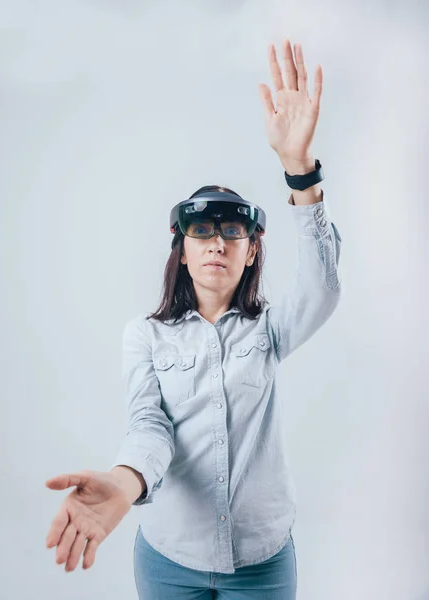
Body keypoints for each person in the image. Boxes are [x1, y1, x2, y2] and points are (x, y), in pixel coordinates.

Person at [45, 38, 342, 599]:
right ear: (180, 250)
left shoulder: (270, 331)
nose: (216, 243)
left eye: (233, 230)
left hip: (263, 560)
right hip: (168, 558)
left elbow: (322, 290)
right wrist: (121, 482)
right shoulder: (145, 335)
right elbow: (149, 428)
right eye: (200, 231)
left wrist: (299, 169)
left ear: (251, 250)